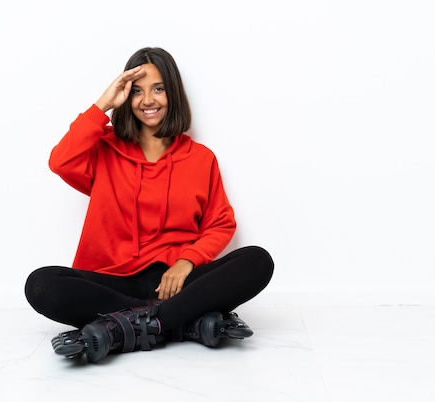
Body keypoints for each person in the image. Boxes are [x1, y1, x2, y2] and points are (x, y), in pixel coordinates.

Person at [24, 47, 274, 363]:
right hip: (114, 282)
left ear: (173, 94)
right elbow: (61, 162)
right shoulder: (105, 151)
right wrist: (102, 105)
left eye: (158, 89)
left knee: (257, 261)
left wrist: (186, 262)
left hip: (177, 281)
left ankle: (124, 326)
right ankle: (183, 323)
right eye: (136, 91)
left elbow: (220, 223)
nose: (148, 101)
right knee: (41, 285)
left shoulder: (201, 158)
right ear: (125, 97)